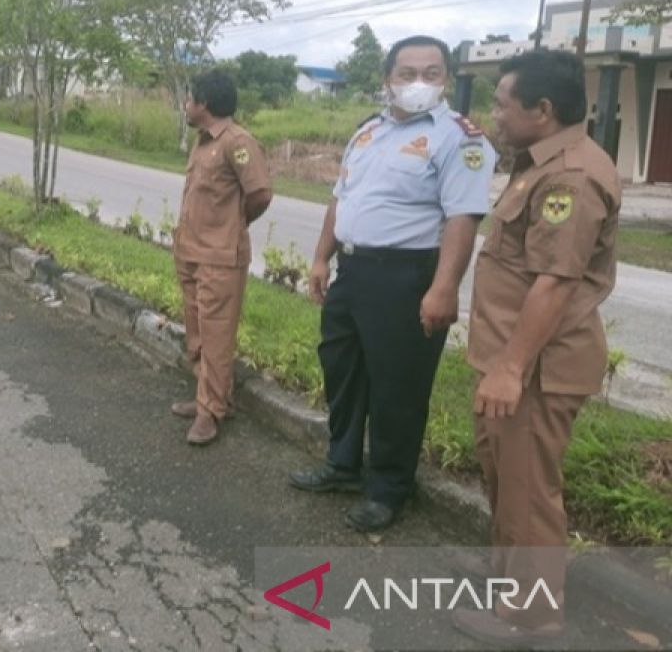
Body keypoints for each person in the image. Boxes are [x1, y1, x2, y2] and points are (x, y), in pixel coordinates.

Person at [290, 36, 495, 532]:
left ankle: (388, 488)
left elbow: (463, 219)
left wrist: (444, 288)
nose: (420, 82)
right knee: (342, 370)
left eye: (432, 72)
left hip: (408, 277)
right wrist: (322, 258)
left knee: (397, 388)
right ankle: (342, 465)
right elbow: (342, 198)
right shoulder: (369, 132)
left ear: (446, 79)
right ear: (387, 80)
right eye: (407, 73)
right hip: (354, 272)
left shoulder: (459, 139)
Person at [453, 50, 620, 646]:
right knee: (505, 477)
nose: (494, 114)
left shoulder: (570, 178)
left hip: (536, 368)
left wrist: (510, 367)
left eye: (502, 104)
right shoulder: (538, 162)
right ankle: (507, 573)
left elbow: (555, 282)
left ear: (542, 111)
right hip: (511, 361)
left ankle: (531, 615)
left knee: (528, 491)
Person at [171, 69, 272, 445]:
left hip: (219, 256)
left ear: (205, 104)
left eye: (189, 99)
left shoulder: (237, 142)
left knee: (216, 335)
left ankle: (210, 413)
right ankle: (208, 397)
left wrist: (234, 224)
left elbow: (260, 193)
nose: (186, 105)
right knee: (197, 330)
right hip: (191, 251)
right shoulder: (201, 142)